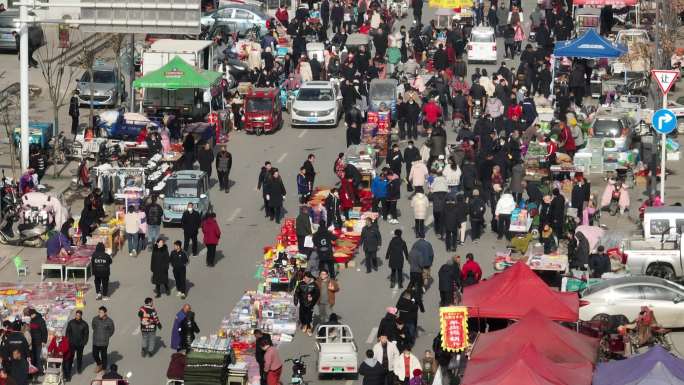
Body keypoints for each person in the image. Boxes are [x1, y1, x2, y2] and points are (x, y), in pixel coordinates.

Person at [91, 306, 115, 373]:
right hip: (96, 341)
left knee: (103, 355)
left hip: (104, 342)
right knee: (94, 354)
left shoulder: (109, 321)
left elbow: (112, 330)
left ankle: (104, 368)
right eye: (99, 312)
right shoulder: (95, 319)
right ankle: (99, 364)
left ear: (105, 313)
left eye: (101, 312)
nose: (100, 313)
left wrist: (107, 336)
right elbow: (93, 326)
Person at [65, 310, 88, 375]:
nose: (77, 316)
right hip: (72, 343)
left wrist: (84, 342)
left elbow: (86, 334)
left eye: (79, 315)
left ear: (81, 316)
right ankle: (69, 369)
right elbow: (67, 332)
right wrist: (67, 340)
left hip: (80, 344)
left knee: (79, 357)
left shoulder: (84, 324)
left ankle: (79, 368)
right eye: (76, 315)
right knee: (70, 357)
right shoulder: (71, 323)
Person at [28, 309, 47, 375]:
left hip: (39, 341)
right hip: (32, 342)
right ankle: (34, 371)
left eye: (31, 315)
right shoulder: (31, 320)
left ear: (34, 314)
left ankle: (40, 371)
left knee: (39, 357)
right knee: (34, 357)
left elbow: (44, 331)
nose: (30, 316)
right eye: (30, 315)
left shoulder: (40, 320)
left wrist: (44, 341)